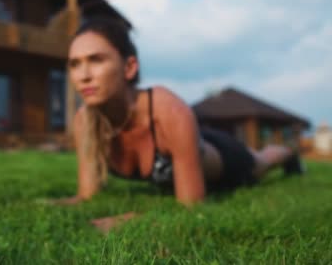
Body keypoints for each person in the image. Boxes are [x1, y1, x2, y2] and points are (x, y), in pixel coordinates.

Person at [54, 17, 305, 232]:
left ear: (129, 67)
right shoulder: (85, 120)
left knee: (261, 161)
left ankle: (289, 153)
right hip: (191, 141)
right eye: (75, 64)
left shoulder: (168, 110)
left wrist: (130, 220)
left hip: (225, 159)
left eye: (96, 60)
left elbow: (192, 209)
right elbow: (87, 195)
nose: (83, 75)